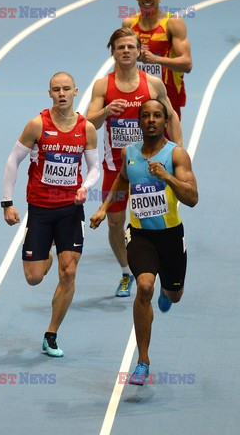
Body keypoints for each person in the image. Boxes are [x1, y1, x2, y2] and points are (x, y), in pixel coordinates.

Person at [90, 99, 198, 384]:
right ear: (139, 121)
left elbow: (192, 198)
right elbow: (123, 179)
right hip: (140, 235)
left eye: (157, 116)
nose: (151, 120)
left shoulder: (177, 156)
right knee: (144, 288)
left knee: (174, 294)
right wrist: (104, 208)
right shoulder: (130, 153)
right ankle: (143, 361)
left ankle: (168, 292)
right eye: (146, 116)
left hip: (171, 236)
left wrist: (167, 178)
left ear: (165, 122)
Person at [1, 71, 99, 357]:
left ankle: (51, 334)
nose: (61, 94)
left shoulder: (86, 129)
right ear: (49, 93)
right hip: (41, 210)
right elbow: (13, 160)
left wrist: (85, 187)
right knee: (34, 278)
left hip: (71, 209)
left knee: (68, 272)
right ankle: (48, 249)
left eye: (66, 89)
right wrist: (7, 202)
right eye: (56, 89)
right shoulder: (37, 125)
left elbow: (94, 168)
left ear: (76, 91)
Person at [86, 27, 182, 298]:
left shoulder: (152, 83)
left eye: (130, 47)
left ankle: (158, 270)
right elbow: (87, 123)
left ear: (139, 50)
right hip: (115, 167)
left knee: (154, 220)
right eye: (120, 47)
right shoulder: (103, 85)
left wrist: (178, 152)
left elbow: (171, 116)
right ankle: (127, 272)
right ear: (113, 52)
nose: (126, 51)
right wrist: (105, 111)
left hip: (148, 166)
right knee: (115, 223)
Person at [123, 0, 192, 120]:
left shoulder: (172, 23)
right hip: (137, 95)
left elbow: (187, 64)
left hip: (167, 96)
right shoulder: (129, 24)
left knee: (170, 142)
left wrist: (156, 59)